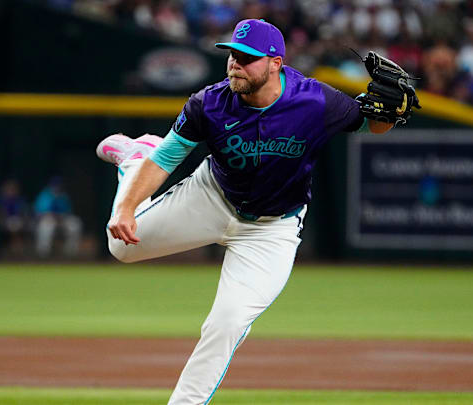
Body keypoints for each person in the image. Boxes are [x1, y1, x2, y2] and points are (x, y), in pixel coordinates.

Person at [96, 19, 409, 404]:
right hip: (211, 196)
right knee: (121, 248)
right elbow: (166, 160)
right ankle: (133, 158)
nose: (235, 64)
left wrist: (389, 115)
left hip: (271, 230)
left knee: (225, 324)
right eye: (232, 55)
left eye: (247, 58)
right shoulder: (207, 104)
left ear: (276, 63)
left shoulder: (315, 101)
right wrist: (126, 207)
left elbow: (370, 125)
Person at [33, 177, 82, 256]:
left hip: (62, 220)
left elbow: (68, 211)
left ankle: (70, 253)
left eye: (58, 186)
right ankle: (43, 254)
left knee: (75, 224)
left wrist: (60, 217)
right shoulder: (45, 195)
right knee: (46, 226)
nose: (56, 188)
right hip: (48, 219)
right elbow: (39, 212)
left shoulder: (63, 196)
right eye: (54, 186)